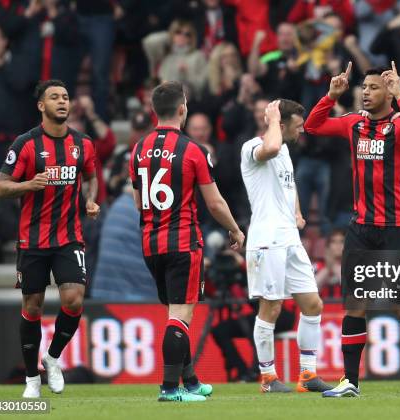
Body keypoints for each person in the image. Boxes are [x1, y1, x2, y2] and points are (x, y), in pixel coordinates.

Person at [305, 62, 400, 397]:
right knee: (355, 304)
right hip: (361, 229)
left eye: (373, 88)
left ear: (388, 92)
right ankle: (350, 381)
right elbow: (312, 126)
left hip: (399, 229)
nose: (366, 93)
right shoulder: (354, 124)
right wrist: (330, 95)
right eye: (364, 88)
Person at [129, 81, 245, 403]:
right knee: (180, 316)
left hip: (151, 243)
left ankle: (191, 381)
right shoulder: (193, 150)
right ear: (183, 109)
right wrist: (235, 230)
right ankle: (169, 389)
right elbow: (215, 204)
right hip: (182, 241)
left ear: (154, 110)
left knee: (175, 313)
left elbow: (138, 202)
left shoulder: (138, 149)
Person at [0, 79, 100, 398]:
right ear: (41, 105)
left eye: (66, 97)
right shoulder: (26, 144)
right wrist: (28, 185)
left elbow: (92, 176)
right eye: (54, 97)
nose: (62, 102)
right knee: (33, 306)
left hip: (69, 237)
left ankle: (52, 358)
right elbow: (1, 186)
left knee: (74, 300)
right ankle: (31, 379)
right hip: (33, 240)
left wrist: (90, 200)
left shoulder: (83, 144)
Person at [240, 99, 332, 393]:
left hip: (289, 238)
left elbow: (288, 186)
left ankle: (307, 375)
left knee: (313, 304)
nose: (302, 129)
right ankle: (268, 378)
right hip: (267, 240)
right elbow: (271, 148)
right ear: (280, 124)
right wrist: (272, 121)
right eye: (297, 124)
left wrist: (297, 212)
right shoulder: (253, 148)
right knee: (272, 306)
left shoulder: (286, 151)